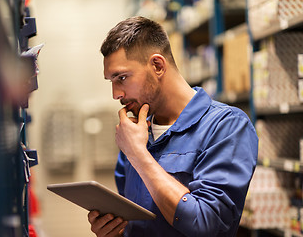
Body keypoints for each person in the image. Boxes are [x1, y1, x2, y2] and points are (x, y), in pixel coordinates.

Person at [88, 16, 258, 237]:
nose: (116, 94)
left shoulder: (226, 127)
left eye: (121, 77)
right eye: (111, 81)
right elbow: (135, 225)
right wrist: (114, 232)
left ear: (157, 66)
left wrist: (139, 155)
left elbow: (208, 224)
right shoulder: (136, 133)